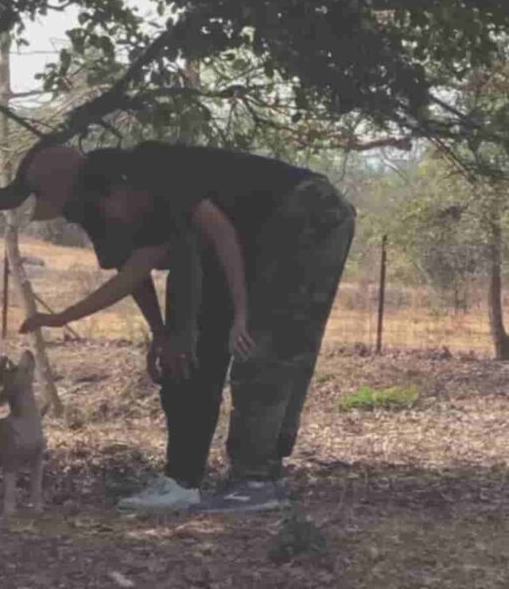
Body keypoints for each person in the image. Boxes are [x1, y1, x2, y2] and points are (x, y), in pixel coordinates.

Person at [19, 141, 355, 513]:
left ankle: (254, 480)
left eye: (64, 206)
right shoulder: (118, 208)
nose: (69, 218)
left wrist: (242, 312)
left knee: (265, 347)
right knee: (234, 348)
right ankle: (224, 478)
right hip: (272, 230)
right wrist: (160, 332)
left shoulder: (153, 170)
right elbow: (132, 273)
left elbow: (223, 233)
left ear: (104, 189)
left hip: (302, 210)